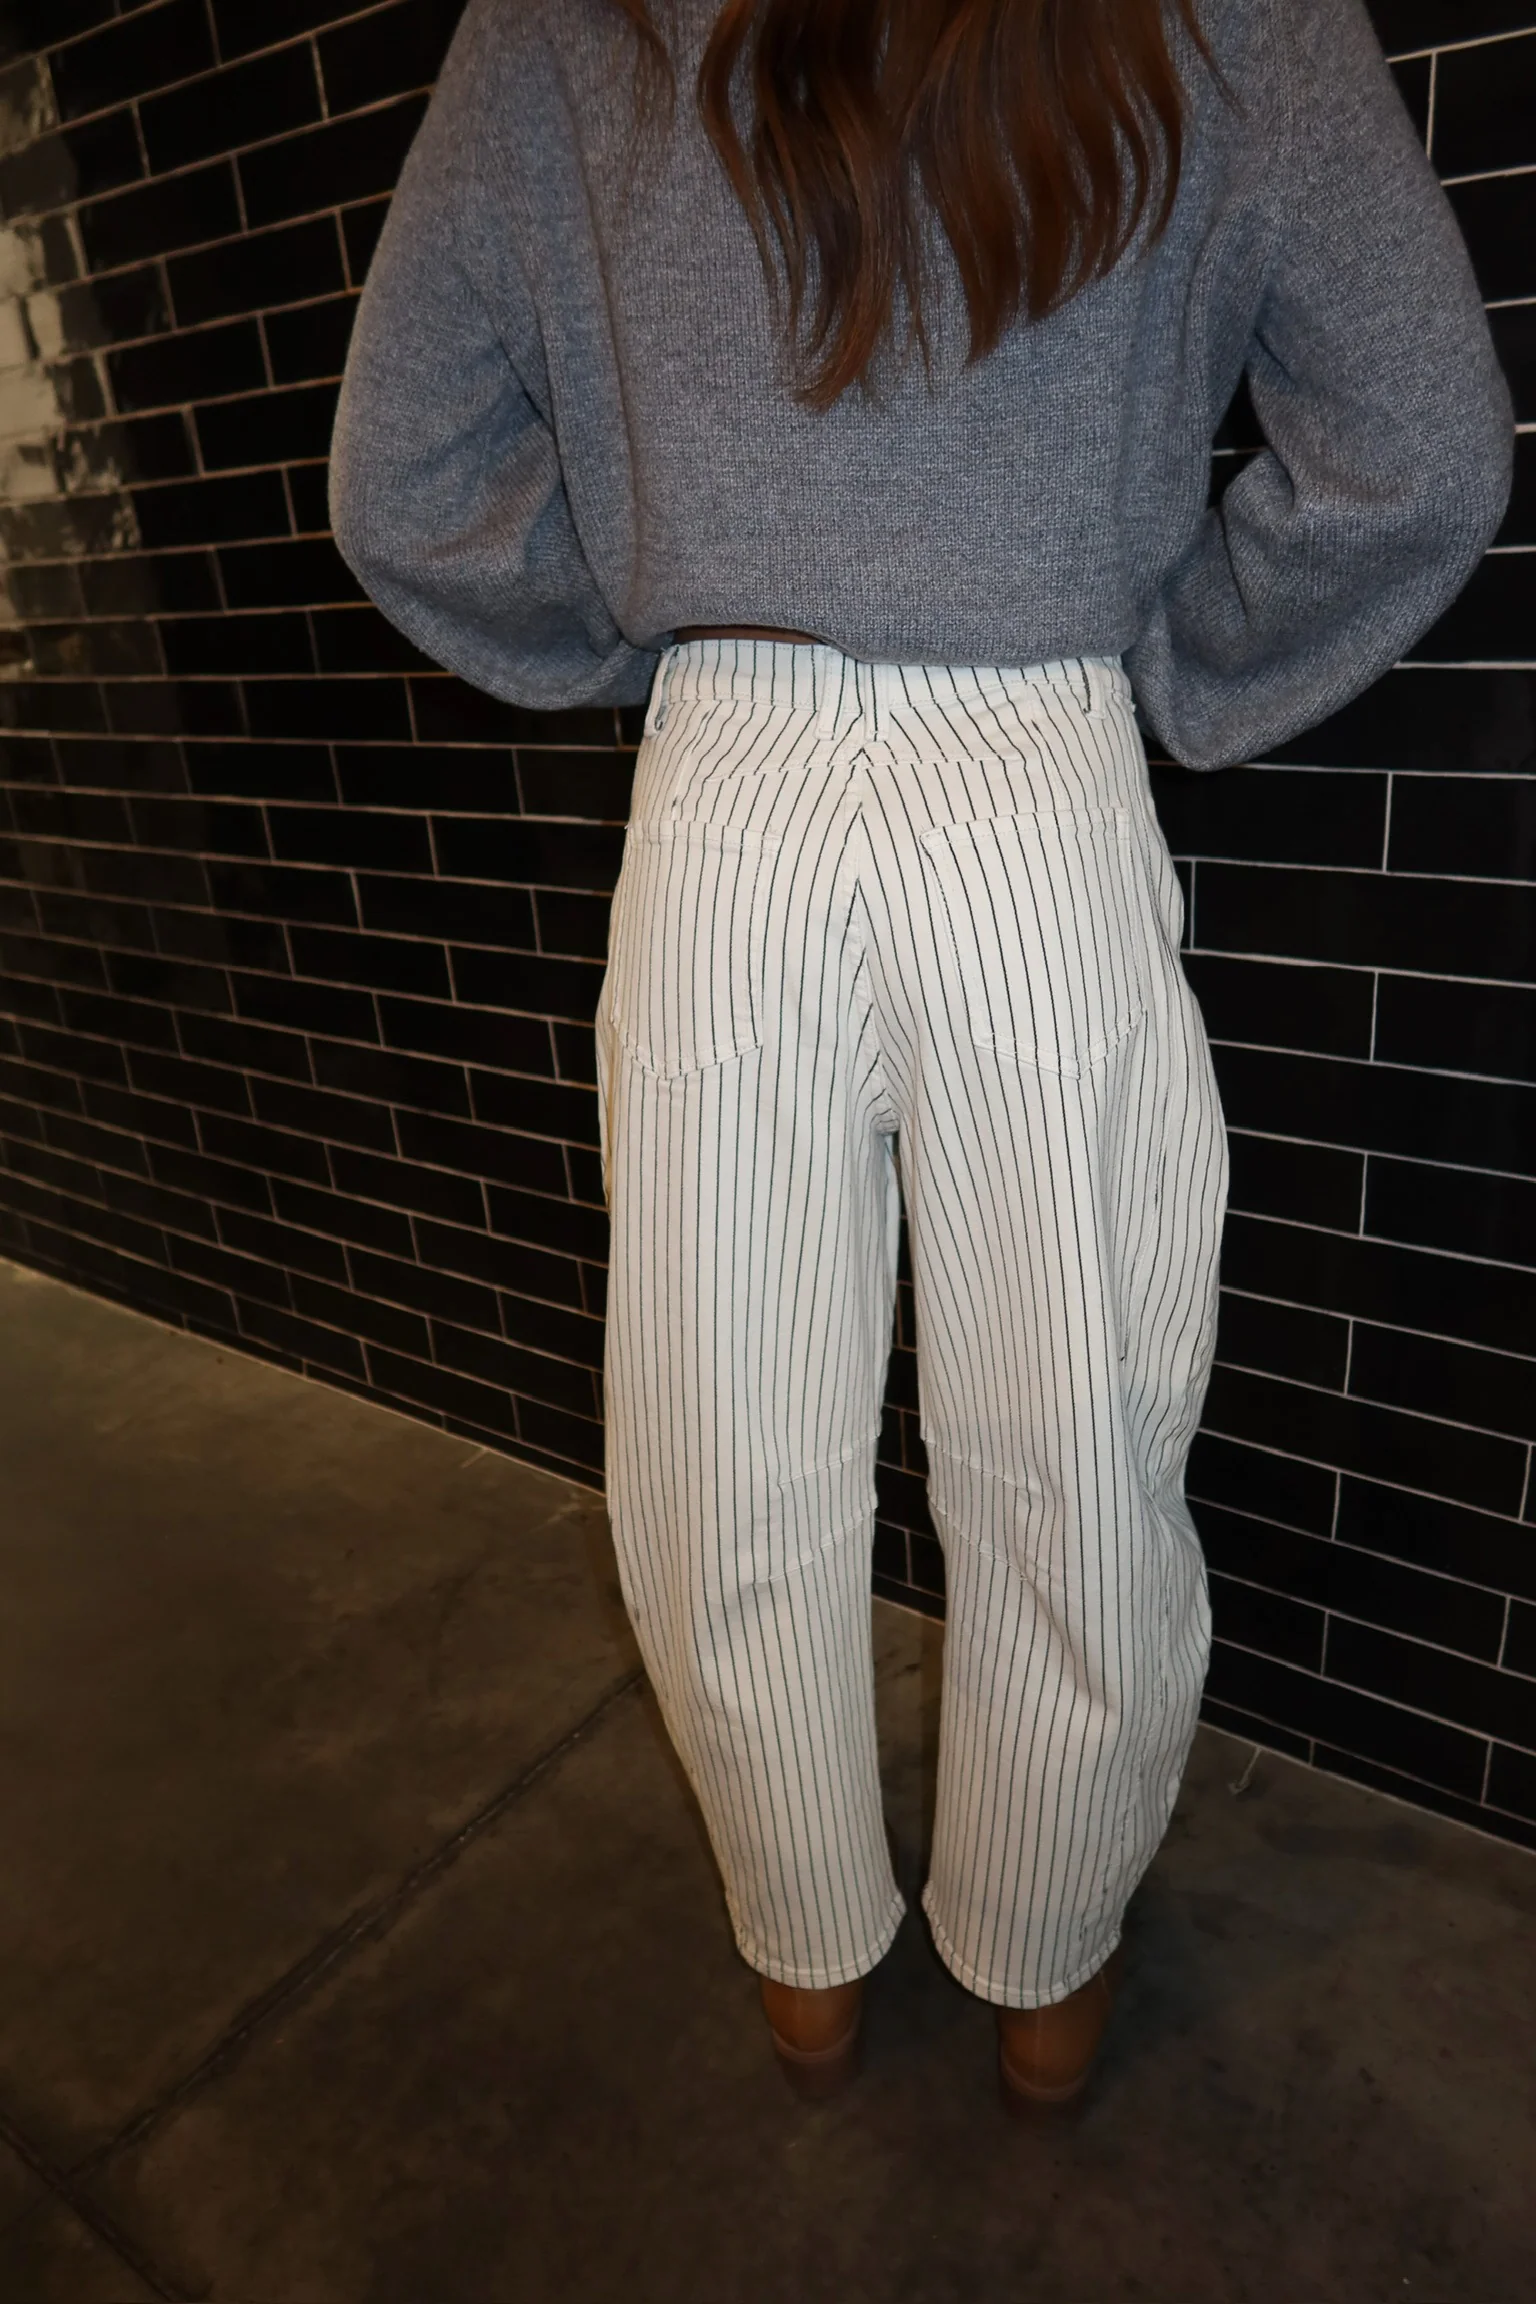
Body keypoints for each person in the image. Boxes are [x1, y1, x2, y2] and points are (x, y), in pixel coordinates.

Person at [329, 0, 1513, 2111]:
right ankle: (1047, 1962)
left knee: (720, 1438)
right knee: (1077, 1434)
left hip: (729, 785)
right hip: (1035, 770)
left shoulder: (555, 27)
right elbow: (1420, 438)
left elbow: (403, 478)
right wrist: (1174, 661)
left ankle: (804, 1950)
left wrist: (647, 635)